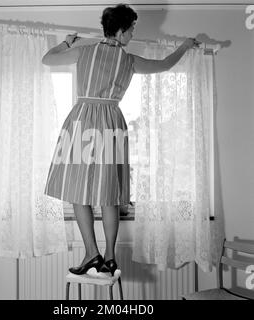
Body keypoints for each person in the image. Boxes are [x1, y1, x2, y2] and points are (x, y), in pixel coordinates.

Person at [42, 4, 200, 277]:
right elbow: (164, 64)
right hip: (111, 122)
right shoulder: (129, 60)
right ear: (121, 30)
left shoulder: (83, 51)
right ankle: (109, 257)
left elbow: (47, 59)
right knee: (108, 195)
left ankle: (91, 253)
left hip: (82, 121)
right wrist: (185, 46)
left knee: (79, 194)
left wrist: (65, 43)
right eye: (131, 29)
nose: (132, 34)